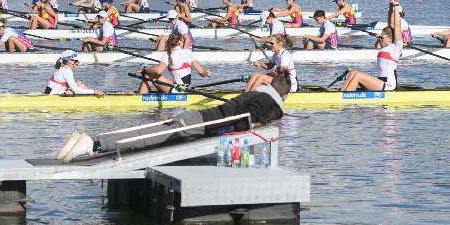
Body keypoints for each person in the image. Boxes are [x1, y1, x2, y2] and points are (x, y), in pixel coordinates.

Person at [56, 73, 290, 162]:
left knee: (148, 134)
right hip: (199, 125)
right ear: (283, 95)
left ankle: (92, 140)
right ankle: (94, 144)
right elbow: (245, 123)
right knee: (148, 138)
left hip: (198, 119)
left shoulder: (256, 94)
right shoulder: (265, 101)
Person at [342, 2, 405, 91]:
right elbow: (390, 25)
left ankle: (342, 98)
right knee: (353, 73)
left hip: (389, 85)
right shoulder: (385, 47)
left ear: (390, 39)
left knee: (358, 76)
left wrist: (396, 6)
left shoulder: (396, 48)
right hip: (380, 83)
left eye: (381, 37)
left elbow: (397, 26)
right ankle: (340, 93)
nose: (380, 38)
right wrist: (390, 7)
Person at [139, 32, 210, 93]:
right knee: (154, 76)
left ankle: (139, 98)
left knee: (148, 76)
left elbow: (158, 71)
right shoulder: (188, 52)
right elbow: (201, 72)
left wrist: (145, 69)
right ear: (179, 41)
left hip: (179, 89)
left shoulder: (168, 53)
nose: (184, 42)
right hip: (183, 88)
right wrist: (207, 72)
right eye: (183, 40)